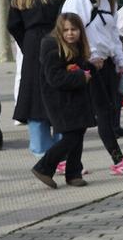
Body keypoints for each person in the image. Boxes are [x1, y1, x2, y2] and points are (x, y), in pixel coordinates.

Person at [63, 0, 123, 176]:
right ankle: (118, 160)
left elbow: (112, 34)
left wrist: (121, 62)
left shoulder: (107, 0)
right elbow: (68, 31)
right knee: (102, 114)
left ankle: (63, 160)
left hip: (105, 67)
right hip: (88, 66)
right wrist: (84, 59)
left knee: (95, 114)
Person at [7, 0, 67, 158]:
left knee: (33, 95)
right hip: (56, 41)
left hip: (32, 44)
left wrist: (25, 44)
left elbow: (12, 25)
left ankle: (40, 149)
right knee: (58, 93)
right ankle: (62, 150)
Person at [31, 12, 98, 190]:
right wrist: (80, 76)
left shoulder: (75, 46)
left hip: (75, 99)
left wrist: (90, 67)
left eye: (74, 29)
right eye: (66, 30)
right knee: (71, 136)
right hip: (59, 101)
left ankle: (74, 173)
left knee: (78, 134)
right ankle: (44, 167)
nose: (70, 33)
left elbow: (79, 68)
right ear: (59, 31)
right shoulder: (51, 45)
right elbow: (54, 77)